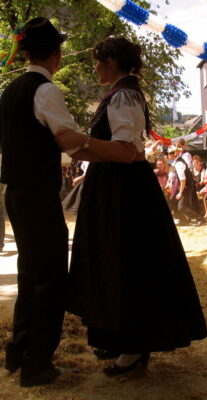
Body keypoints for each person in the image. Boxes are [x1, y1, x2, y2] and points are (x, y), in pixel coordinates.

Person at [56, 38, 207, 376]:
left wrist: (80, 141)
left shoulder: (124, 95)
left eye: (97, 61)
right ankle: (115, 335)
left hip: (124, 193)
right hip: (113, 188)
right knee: (111, 263)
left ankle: (134, 346)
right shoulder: (118, 94)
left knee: (127, 264)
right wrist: (73, 145)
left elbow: (125, 152)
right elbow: (109, 150)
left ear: (111, 61)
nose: (94, 67)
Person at [0, 17, 83, 387]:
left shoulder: (10, 89)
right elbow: (69, 138)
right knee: (50, 277)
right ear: (56, 55)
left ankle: (18, 352)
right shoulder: (45, 90)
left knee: (31, 273)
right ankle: (37, 363)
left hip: (16, 194)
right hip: (36, 194)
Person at [168, 145, 204, 226]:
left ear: (175, 154)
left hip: (186, 186)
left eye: (170, 153)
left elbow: (183, 179)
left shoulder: (179, 163)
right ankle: (183, 219)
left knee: (182, 207)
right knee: (173, 203)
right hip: (183, 186)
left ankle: (199, 218)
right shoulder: (176, 162)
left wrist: (180, 192)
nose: (168, 155)